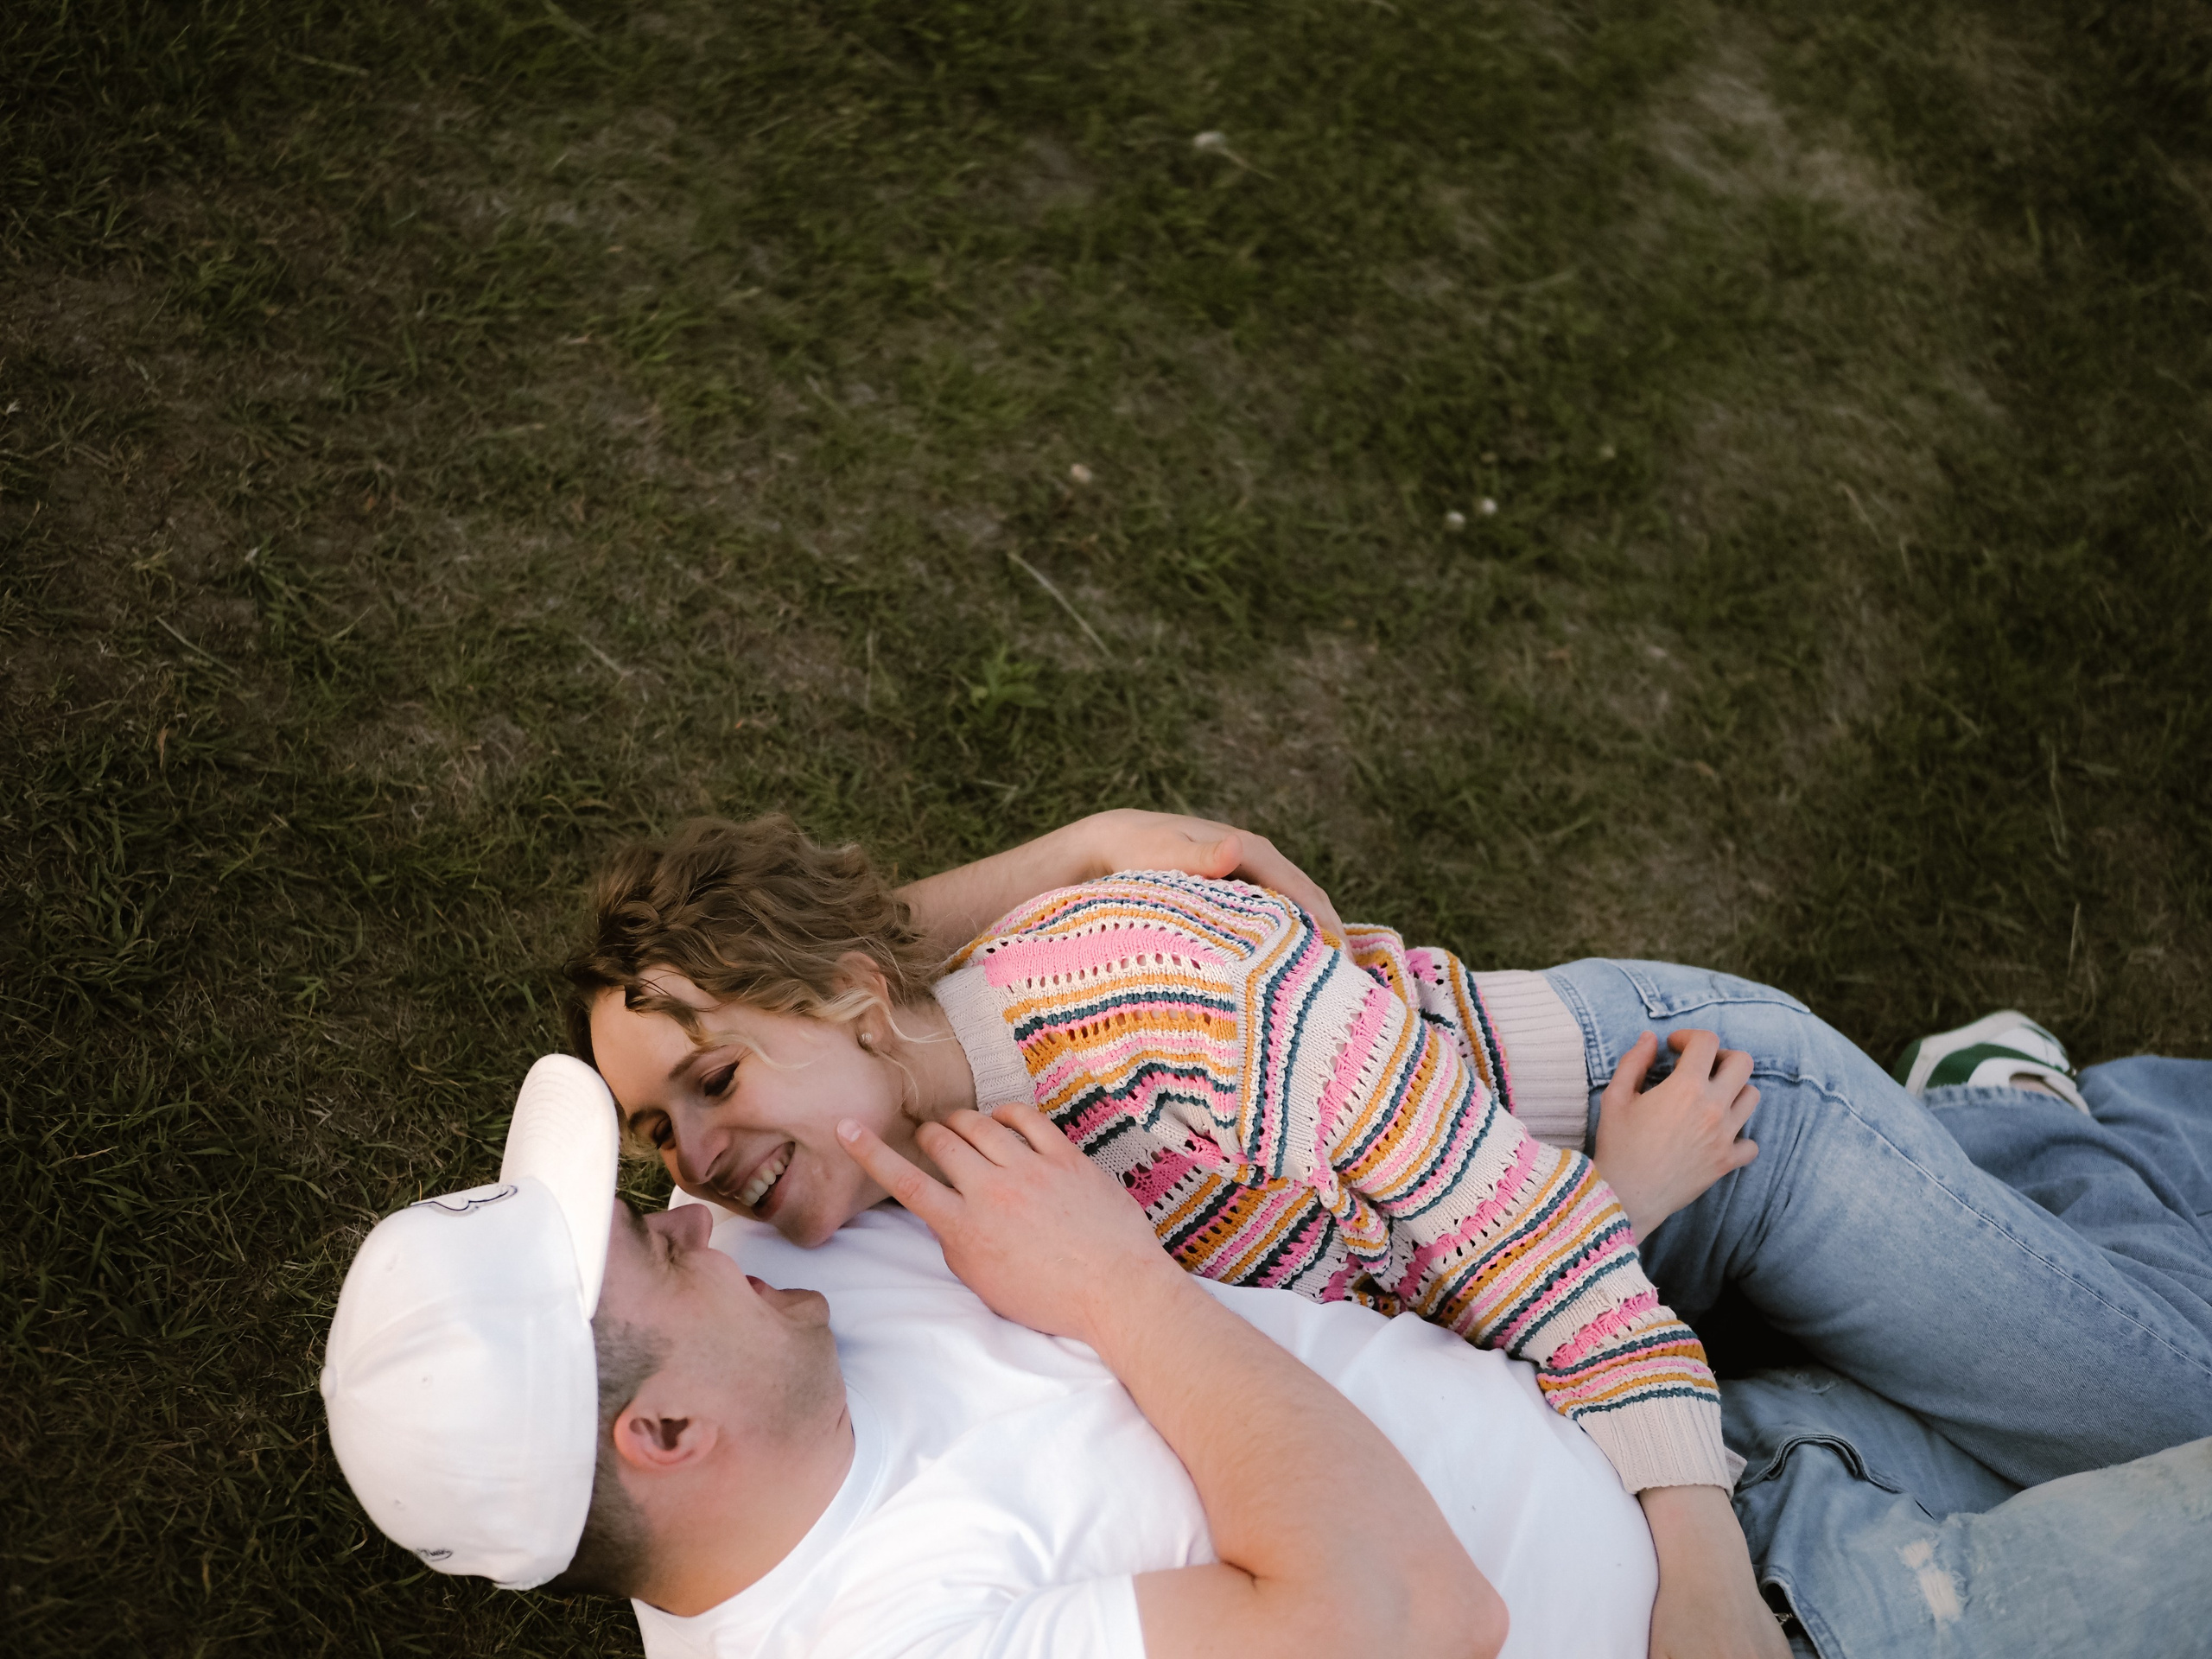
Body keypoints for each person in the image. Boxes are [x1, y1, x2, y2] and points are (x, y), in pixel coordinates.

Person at [564, 810, 2212, 1657]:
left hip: (1693, 1118)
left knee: (2171, 1404)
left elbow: (1544, 1266)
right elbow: (790, 999)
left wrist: (1699, 1579)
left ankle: (2041, 1124)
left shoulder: (1163, 1003)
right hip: (1543, 1221)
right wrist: (1067, 840)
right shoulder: (808, 1175)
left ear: (857, 997)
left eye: (709, 1084)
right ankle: (2001, 1130)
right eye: (657, 1135)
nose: (693, 1173)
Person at [318, 1057, 2212, 1659]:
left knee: (2015, 1220)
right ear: (657, 1435)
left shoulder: (770, 1305)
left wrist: (1099, 845)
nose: (679, 1195)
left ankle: (2042, 1124)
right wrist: (1119, 1289)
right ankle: (2037, 1128)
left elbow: (827, 1022)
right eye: (639, 1244)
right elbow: (1413, 1613)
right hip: (1791, 1622)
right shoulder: (886, 1637)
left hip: (1670, 1419)